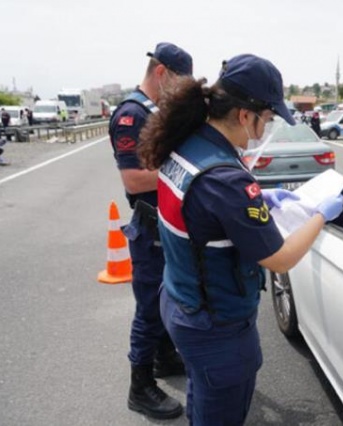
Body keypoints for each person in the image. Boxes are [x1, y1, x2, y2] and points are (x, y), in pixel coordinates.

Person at [138, 53, 343, 425]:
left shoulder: (187, 145)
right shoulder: (228, 179)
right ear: (245, 115)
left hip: (180, 301)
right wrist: (319, 216)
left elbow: (197, 208)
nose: (265, 129)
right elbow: (279, 259)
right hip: (216, 327)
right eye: (267, 119)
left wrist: (261, 198)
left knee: (202, 396)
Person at [108, 42, 193, 420]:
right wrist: (187, 175)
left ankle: (163, 357)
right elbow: (134, 179)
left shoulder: (155, 111)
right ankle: (139, 386)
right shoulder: (131, 115)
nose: (180, 93)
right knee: (147, 308)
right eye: (178, 83)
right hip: (149, 226)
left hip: (166, 225)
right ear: (161, 73)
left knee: (164, 298)